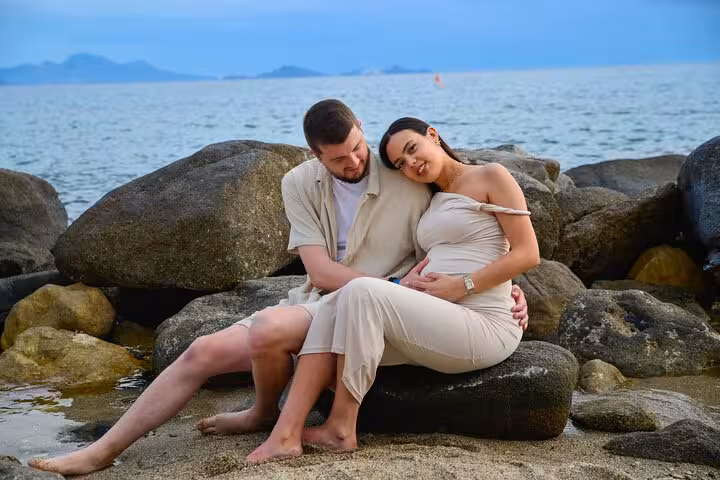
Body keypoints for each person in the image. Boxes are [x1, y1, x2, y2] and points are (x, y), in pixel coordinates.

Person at [28, 101, 528, 476]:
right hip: (339, 297)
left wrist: (505, 285)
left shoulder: (406, 172)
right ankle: (103, 451)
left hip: (388, 308)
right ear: (316, 156)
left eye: (359, 147)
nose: (356, 162)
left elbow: (483, 230)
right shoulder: (299, 183)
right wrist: (402, 283)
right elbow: (322, 273)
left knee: (276, 325)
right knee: (201, 350)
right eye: (339, 158)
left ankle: (284, 423)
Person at [247, 116, 540, 463]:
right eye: (401, 163)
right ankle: (286, 434)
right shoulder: (432, 196)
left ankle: (341, 427)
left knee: (361, 291)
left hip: (484, 322)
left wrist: (467, 285)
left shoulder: (491, 175)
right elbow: (470, 248)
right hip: (443, 317)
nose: (411, 164)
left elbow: (527, 252)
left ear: (433, 134)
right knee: (338, 303)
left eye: (412, 149)